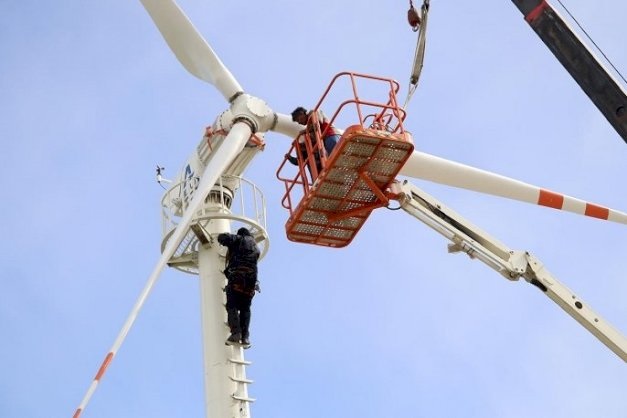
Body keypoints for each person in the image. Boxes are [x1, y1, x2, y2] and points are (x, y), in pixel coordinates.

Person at [217, 227, 260, 348]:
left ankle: (236, 334)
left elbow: (223, 238)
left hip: (237, 278)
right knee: (245, 309)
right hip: (250, 283)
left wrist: (224, 236)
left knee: (232, 306)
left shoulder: (239, 239)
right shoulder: (256, 248)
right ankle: (245, 337)